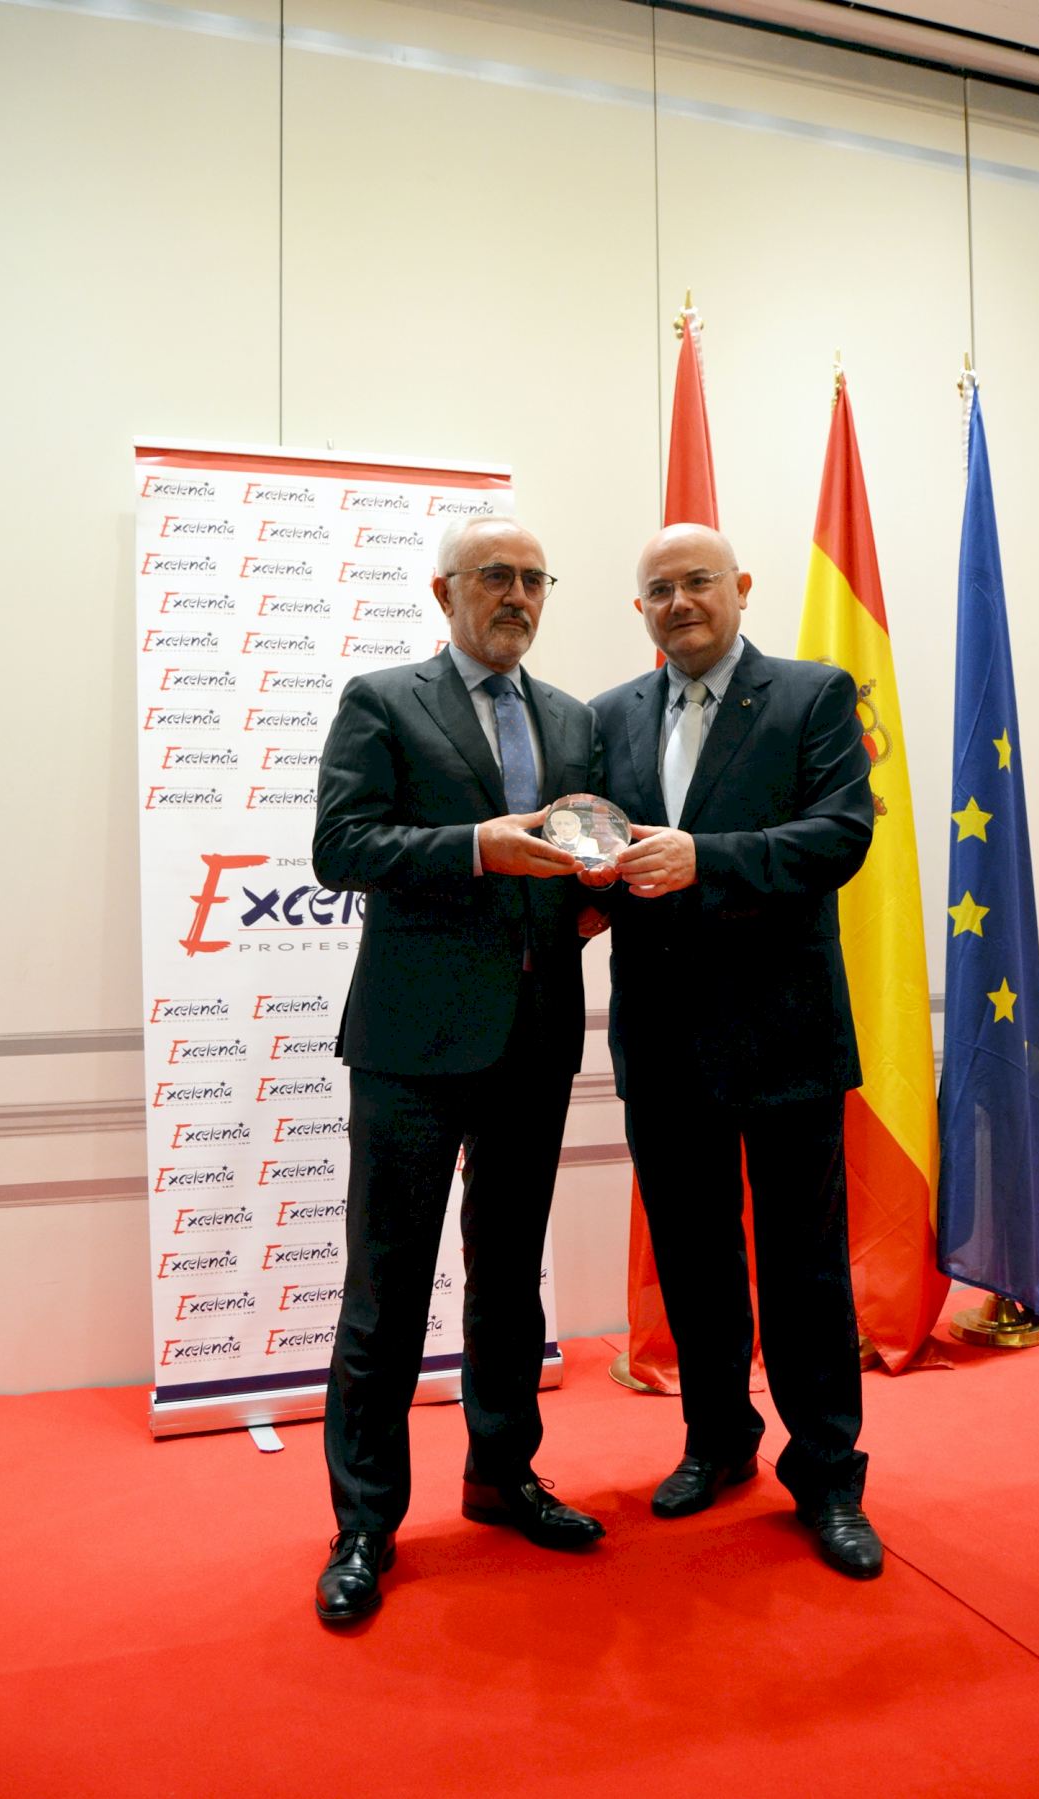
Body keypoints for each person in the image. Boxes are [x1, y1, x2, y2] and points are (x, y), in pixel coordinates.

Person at [312, 515, 606, 1625]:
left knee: (510, 1277)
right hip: (412, 1045)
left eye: (534, 578)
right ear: (446, 592)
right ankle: (364, 1524)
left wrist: (599, 892)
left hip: (536, 1036)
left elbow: (586, 851)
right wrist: (475, 844)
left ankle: (502, 1475)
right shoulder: (383, 701)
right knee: (385, 1290)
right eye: (495, 575)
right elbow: (341, 846)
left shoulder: (573, 718)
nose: (517, 595)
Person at [588, 522, 884, 1579]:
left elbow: (842, 836)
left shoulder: (813, 694)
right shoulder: (608, 715)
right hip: (662, 1040)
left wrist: (703, 858)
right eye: (659, 590)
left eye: (698, 581)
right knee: (694, 1260)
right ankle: (717, 1440)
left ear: (741, 586)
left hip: (785, 1033)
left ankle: (829, 1475)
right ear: (640, 609)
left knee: (806, 1268)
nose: (680, 602)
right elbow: (595, 848)